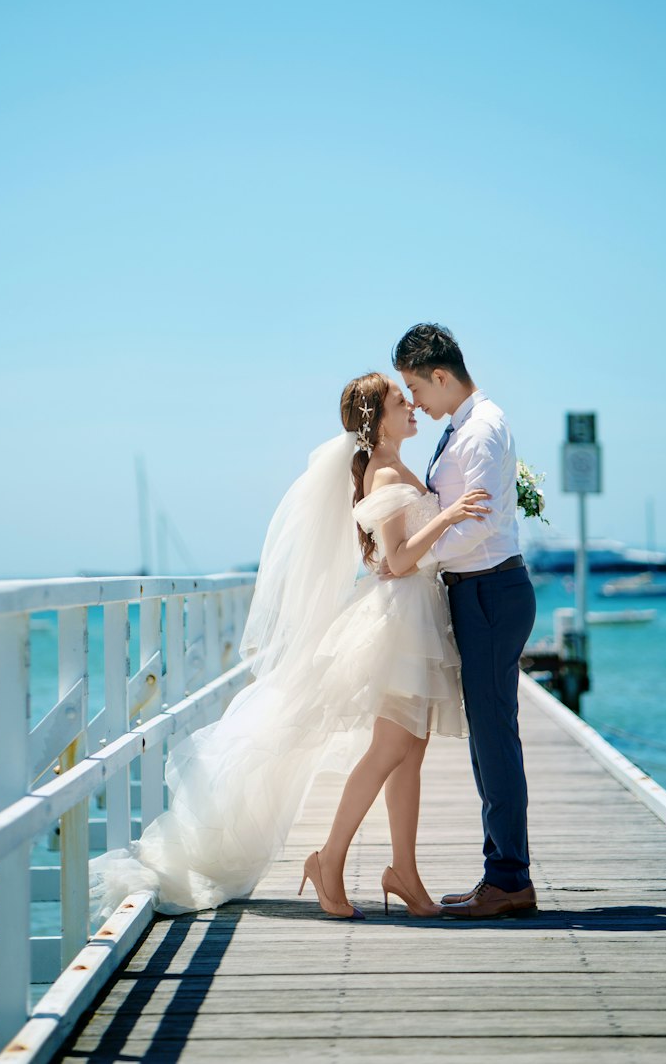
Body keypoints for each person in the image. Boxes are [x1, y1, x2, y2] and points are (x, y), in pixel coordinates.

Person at [89, 371, 488, 923]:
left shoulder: (395, 467)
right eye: (401, 400)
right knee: (390, 750)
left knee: (408, 753)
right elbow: (396, 560)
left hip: (415, 615)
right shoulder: (385, 471)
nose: (411, 404)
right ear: (378, 418)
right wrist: (448, 514)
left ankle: (404, 872)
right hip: (399, 622)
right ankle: (329, 859)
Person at [392, 322, 538, 919]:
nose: (415, 403)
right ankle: (501, 872)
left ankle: (508, 878)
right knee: (488, 737)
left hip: (489, 593)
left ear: (442, 376)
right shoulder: (466, 426)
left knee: (494, 738)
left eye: (415, 388)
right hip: (478, 591)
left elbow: (478, 526)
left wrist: (411, 560)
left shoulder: (479, 432)